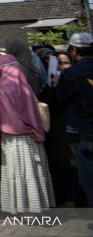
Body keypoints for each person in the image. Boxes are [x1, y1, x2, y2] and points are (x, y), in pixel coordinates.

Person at [0, 54, 54, 213]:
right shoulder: (25, 86)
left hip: (15, 138)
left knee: (18, 171)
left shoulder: (1, 87)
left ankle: (21, 207)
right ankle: (37, 206)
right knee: (33, 171)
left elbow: (9, 116)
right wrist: (32, 129)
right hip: (33, 136)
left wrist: (23, 128)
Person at [53, 33, 93, 206]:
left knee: (89, 181)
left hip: (82, 133)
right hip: (82, 132)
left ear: (74, 50)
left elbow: (58, 103)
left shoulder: (70, 74)